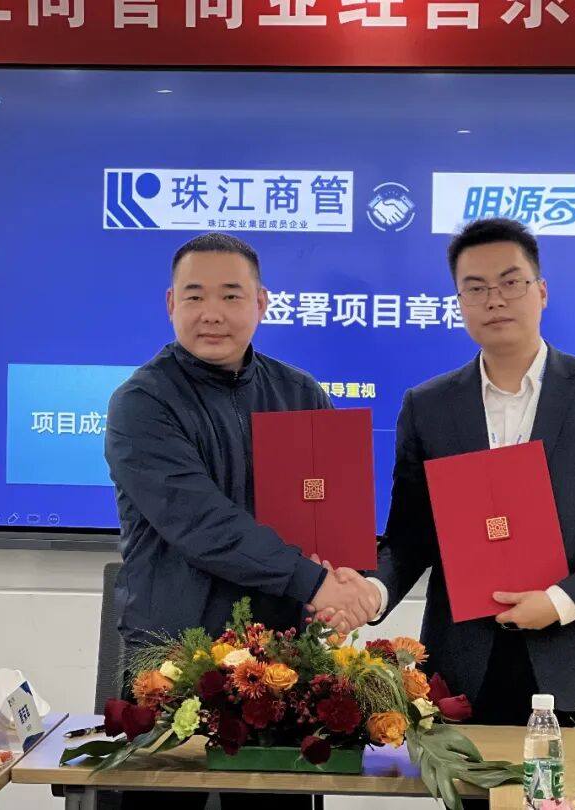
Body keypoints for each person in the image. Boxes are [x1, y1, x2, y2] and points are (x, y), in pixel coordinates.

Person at [328, 217, 575, 733]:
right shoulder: (428, 406)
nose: (495, 300)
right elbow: (412, 535)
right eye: (476, 288)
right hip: (464, 672)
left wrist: (561, 601)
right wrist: (372, 593)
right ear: (459, 302)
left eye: (511, 282)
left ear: (541, 291)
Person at [103, 232, 379, 810]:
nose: (212, 313)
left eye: (231, 296)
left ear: (261, 303)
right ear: (170, 303)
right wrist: (318, 584)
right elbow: (204, 525)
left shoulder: (299, 393)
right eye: (195, 295)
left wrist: (346, 581)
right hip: (175, 662)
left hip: (278, 667)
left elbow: (330, 515)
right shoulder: (143, 403)